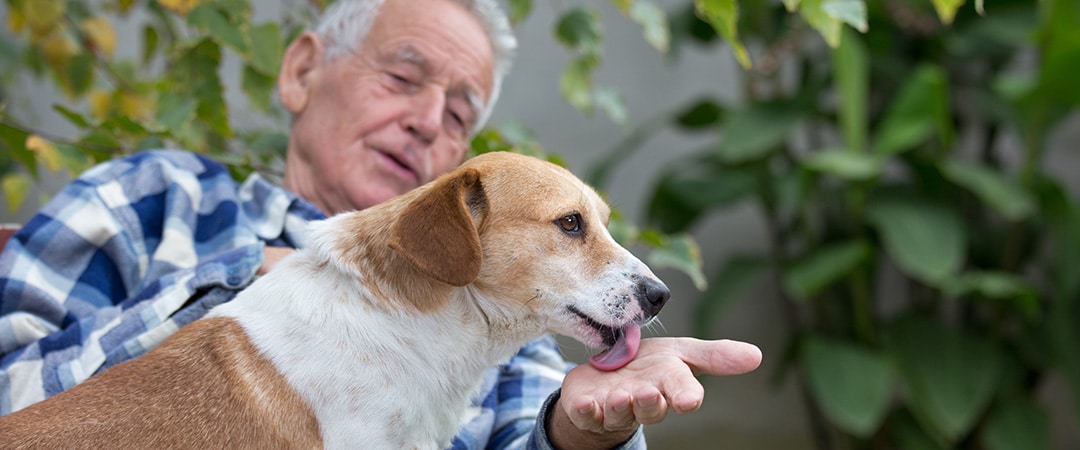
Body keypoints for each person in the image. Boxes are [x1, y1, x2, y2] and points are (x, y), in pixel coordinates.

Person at [0, 0, 762, 448]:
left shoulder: (504, 309)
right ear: (301, 72)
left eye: (460, 113)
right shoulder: (151, 197)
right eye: (402, 77)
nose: (427, 120)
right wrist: (233, 292)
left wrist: (581, 433)